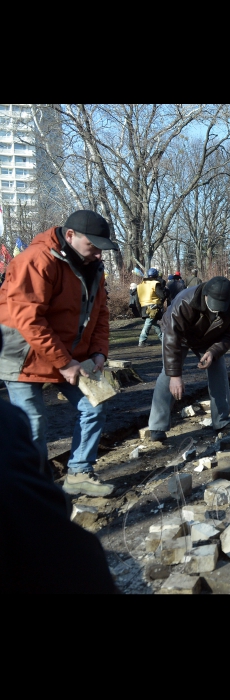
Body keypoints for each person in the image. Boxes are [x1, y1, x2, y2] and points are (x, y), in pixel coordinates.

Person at [0, 209, 117, 497]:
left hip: (70, 355)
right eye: (94, 246)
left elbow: (101, 313)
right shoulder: (35, 261)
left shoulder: (94, 267)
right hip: (22, 356)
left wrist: (99, 352)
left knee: (96, 403)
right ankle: (35, 489)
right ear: (70, 236)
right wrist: (65, 362)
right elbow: (29, 319)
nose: (99, 255)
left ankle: (79, 472)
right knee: (33, 425)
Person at [0, 392, 117, 593]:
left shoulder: (8, 419)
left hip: (58, 367)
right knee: (33, 424)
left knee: (92, 406)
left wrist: (96, 357)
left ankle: (77, 472)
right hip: (27, 368)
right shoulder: (7, 422)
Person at [147, 276, 230, 441]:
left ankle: (222, 421)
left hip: (209, 340)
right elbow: (172, 339)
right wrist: (176, 376)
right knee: (168, 373)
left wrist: (213, 351)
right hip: (177, 336)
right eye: (214, 305)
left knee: (218, 370)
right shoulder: (185, 301)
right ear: (205, 294)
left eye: (221, 306)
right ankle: (157, 426)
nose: (217, 310)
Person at [137, 267, 168, 347]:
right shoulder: (155, 283)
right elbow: (161, 295)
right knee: (148, 323)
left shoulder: (140, 285)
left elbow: (137, 299)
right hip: (153, 306)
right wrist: (165, 291)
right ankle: (142, 340)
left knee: (155, 323)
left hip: (143, 306)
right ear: (156, 275)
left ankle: (163, 340)